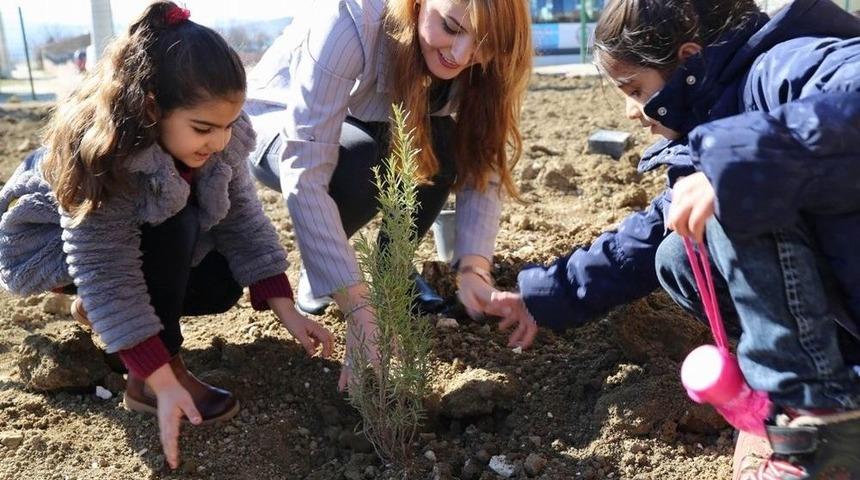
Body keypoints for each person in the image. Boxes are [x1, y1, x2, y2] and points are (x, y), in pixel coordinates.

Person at [485, 0, 860, 477]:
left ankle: (821, 420)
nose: (630, 112)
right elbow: (642, 241)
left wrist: (737, 165)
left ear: (687, 59)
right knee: (680, 253)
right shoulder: (722, 109)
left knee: (730, 195)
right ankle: (814, 404)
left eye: (635, 89)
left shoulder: (783, 66)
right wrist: (547, 294)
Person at [0, 2, 333, 470]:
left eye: (227, 125)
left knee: (219, 281)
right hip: (59, 247)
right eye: (203, 128)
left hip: (132, 244)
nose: (218, 141)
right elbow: (105, 267)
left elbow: (243, 216)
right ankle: (149, 381)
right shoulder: (108, 156)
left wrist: (284, 305)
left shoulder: (219, 141)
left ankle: (113, 323)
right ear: (152, 107)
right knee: (172, 220)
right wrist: (157, 372)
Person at [243, 0, 533, 390]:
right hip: (281, 126)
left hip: (367, 120)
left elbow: (483, 160)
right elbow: (306, 168)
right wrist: (358, 310)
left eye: (482, 42)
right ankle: (327, 273)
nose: (461, 55)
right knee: (363, 162)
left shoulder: (484, 54)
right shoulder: (350, 23)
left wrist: (474, 270)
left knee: (441, 145)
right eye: (449, 27)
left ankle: (390, 272)